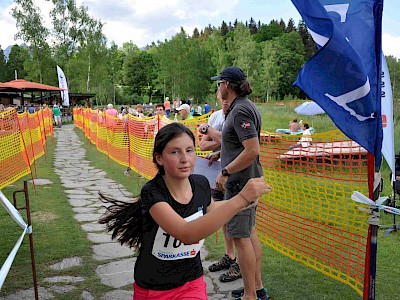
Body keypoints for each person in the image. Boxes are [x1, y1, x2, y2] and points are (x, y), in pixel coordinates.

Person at [99, 122, 272, 300]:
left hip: (192, 282)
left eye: (189, 150)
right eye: (174, 152)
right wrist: (240, 199)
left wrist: (247, 202)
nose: (184, 159)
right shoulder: (152, 192)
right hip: (154, 288)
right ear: (159, 158)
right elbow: (187, 234)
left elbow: (212, 210)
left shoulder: (201, 184)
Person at [211, 66, 272, 300]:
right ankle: (256, 288)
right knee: (248, 234)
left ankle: (250, 295)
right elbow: (239, 144)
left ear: (227, 84)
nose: (218, 88)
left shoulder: (239, 111)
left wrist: (225, 170)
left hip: (241, 184)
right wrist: (221, 154)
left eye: (219, 83)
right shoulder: (244, 106)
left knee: (240, 237)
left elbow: (252, 149)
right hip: (246, 181)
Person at [198, 90, 241, 282]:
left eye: (226, 98)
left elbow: (238, 145)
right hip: (216, 174)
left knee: (240, 220)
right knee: (223, 215)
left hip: (236, 175)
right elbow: (203, 146)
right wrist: (221, 144)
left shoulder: (238, 114)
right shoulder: (216, 116)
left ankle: (241, 263)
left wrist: (213, 135)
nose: (224, 101)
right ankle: (229, 256)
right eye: (221, 98)